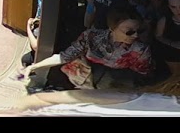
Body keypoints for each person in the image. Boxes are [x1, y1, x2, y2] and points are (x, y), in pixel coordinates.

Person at [20, 6, 154, 90]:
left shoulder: (141, 50)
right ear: (112, 28)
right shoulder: (91, 37)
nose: (135, 35)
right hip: (83, 84)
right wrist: (34, 67)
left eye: (139, 30)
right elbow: (64, 57)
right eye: (129, 31)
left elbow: (142, 78)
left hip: (115, 89)